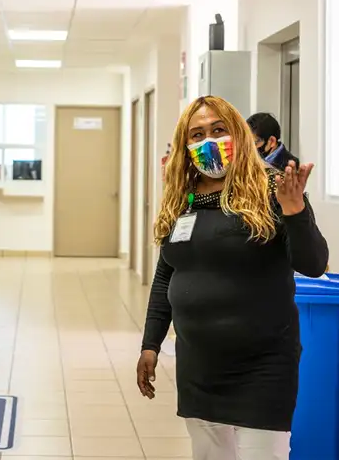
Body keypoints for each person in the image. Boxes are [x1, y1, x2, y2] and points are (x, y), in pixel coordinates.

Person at [136, 96, 328, 460]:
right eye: (197, 135)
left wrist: (296, 212)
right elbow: (166, 276)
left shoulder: (273, 189)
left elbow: (314, 264)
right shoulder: (183, 197)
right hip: (199, 364)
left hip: (263, 364)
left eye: (218, 130)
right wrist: (151, 343)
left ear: (239, 134)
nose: (208, 141)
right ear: (185, 145)